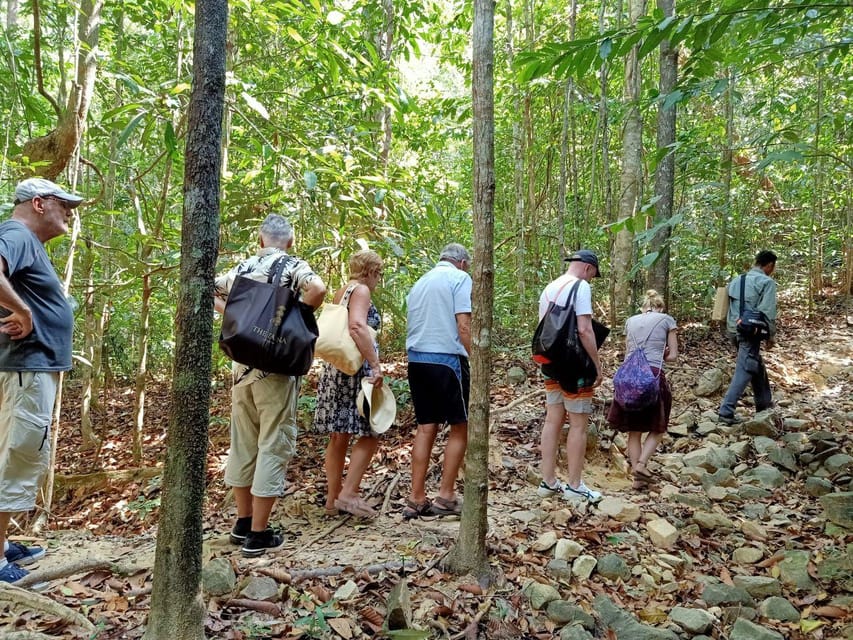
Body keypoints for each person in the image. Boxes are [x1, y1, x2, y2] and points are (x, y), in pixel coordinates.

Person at [213, 214, 326, 557]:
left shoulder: (243, 267)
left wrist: (234, 317)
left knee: (243, 443)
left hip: (241, 369)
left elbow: (209, 289)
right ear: (289, 241)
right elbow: (317, 289)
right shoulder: (292, 265)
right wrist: (297, 314)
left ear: (260, 241)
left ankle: (243, 522)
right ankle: (259, 534)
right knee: (273, 442)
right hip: (275, 370)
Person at [0, 178, 83, 584]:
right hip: (24, 368)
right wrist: (25, 313)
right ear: (37, 203)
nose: (69, 212)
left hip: (27, 368)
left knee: (17, 453)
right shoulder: (16, 233)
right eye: (63, 204)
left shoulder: (27, 244)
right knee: (17, 455)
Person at [402, 243, 472, 520]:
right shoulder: (459, 278)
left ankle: (416, 497)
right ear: (463, 262)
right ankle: (446, 495)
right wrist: (475, 358)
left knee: (425, 427)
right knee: (459, 426)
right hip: (447, 361)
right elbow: (463, 324)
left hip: (417, 361)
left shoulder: (420, 282)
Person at [314, 250, 385, 518]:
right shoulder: (362, 291)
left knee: (339, 434)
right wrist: (375, 364)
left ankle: (333, 499)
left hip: (336, 369)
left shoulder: (342, 290)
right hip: (355, 372)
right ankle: (349, 493)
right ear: (371, 272)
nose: (378, 279)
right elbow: (356, 327)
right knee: (370, 431)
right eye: (379, 273)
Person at [536, 249, 605, 503]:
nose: (591, 279)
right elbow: (585, 329)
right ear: (588, 268)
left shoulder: (549, 287)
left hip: (551, 362)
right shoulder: (581, 287)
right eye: (593, 275)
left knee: (553, 420)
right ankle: (575, 486)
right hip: (574, 364)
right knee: (578, 424)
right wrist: (596, 364)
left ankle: (548, 481)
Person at [606, 290, 678, 490]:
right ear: (660, 307)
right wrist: (661, 354)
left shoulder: (630, 321)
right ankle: (641, 465)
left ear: (643, 307)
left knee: (634, 431)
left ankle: (637, 481)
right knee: (658, 427)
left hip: (629, 378)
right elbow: (673, 355)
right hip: (653, 376)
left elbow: (629, 349)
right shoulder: (667, 320)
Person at [718, 250, 778, 424]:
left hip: (733, 330)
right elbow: (767, 312)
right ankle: (726, 412)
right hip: (750, 331)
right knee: (745, 369)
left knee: (754, 363)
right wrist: (771, 336)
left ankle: (764, 404)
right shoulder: (767, 282)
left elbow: (725, 306)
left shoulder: (737, 280)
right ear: (769, 265)